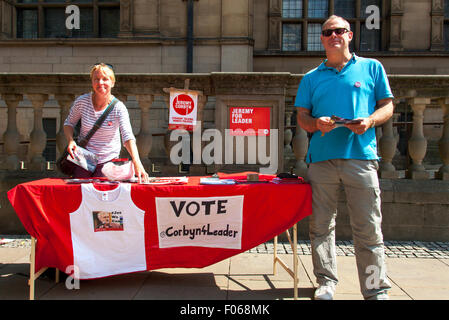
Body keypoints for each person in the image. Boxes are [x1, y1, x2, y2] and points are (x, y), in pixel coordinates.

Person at [294, 15, 394, 300]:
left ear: (350, 35)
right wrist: (316, 123)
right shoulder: (311, 78)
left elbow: (387, 106)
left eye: (339, 30)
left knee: (368, 228)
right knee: (321, 226)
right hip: (321, 159)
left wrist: (370, 121)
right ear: (322, 38)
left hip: (360, 157)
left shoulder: (372, 68)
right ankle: (326, 283)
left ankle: (375, 289)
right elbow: (302, 116)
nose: (333, 35)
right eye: (327, 32)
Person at [63, 63, 149, 183]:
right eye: (96, 79)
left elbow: (128, 137)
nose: (100, 83)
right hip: (83, 160)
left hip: (108, 162)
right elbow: (69, 123)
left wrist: (137, 162)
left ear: (112, 83)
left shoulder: (119, 108)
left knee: (101, 195)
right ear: (92, 82)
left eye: (105, 79)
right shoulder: (81, 102)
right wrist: (71, 141)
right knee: (78, 193)